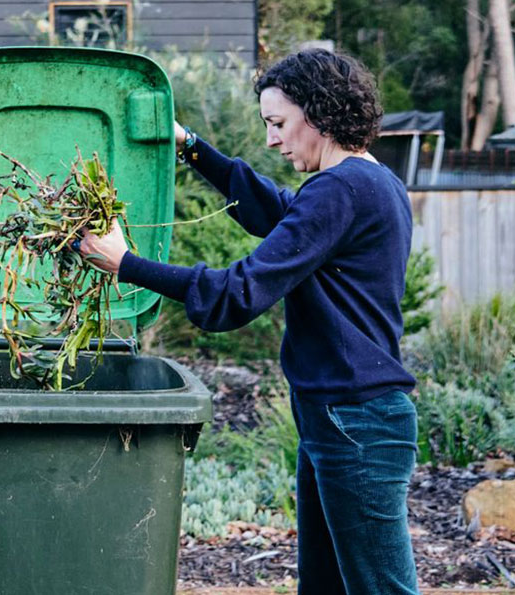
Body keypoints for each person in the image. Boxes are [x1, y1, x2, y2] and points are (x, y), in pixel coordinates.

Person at [76, 48, 418, 594]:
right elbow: (277, 212)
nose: (271, 140)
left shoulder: (341, 190)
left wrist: (126, 265)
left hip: (356, 423)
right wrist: (190, 148)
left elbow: (234, 296)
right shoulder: (370, 184)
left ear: (320, 113)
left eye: (278, 124)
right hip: (341, 417)